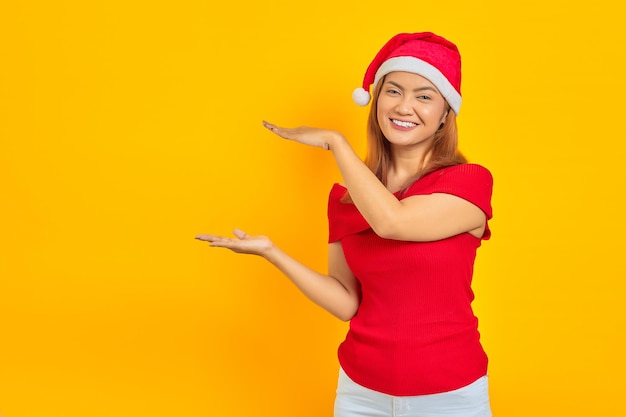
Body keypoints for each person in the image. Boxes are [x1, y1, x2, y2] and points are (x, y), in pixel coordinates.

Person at [196, 32, 493, 417]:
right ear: (376, 100)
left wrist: (337, 143)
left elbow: (392, 222)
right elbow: (346, 301)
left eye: (424, 96)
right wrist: (272, 252)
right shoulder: (344, 199)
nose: (404, 107)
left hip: (449, 395)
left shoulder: (467, 182)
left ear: (444, 115)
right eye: (393, 91)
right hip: (360, 393)